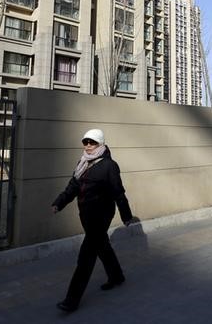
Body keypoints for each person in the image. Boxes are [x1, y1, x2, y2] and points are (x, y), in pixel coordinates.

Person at [52, 128, 134, 312]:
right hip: (86, 215)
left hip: (102, 215)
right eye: (85, 142)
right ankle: (116, 276)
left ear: (101, 144)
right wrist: (59, 203)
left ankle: (71, 300)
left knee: (86, 256)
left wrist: (126, 215)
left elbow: (118, 192)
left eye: (92, 142)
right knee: (102, 246)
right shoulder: (83, 163)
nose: (88, 146)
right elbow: (73, 186)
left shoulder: (109, 165)